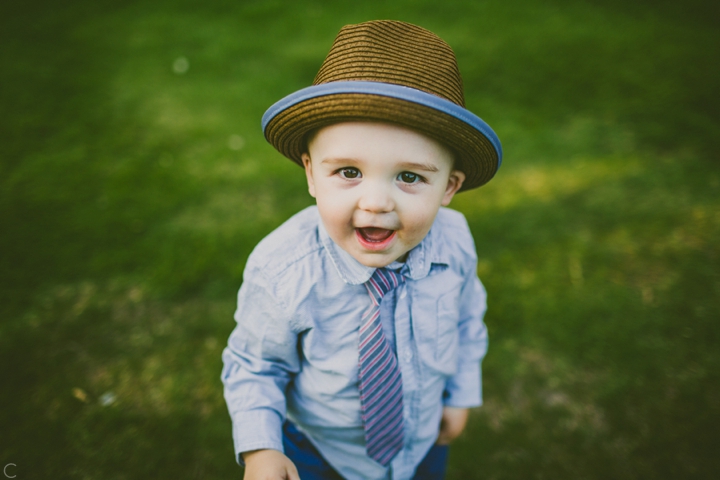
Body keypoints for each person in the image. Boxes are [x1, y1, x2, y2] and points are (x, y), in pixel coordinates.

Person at [221, 20, 503, 480]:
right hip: (318, 450)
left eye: (409, 177)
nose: (375, 202)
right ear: (311, 174)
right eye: (349, 171)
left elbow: (469, 317)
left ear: (449, 187)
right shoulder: (283, 270)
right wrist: (260, 449)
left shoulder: (454, 243)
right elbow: (255, 363)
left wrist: (461, 393)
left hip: (422, 440)